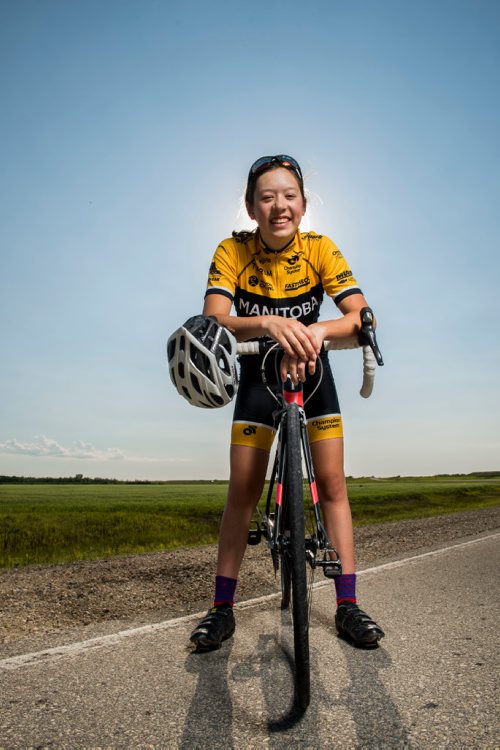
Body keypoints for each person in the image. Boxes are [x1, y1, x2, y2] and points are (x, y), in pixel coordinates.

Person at [189, 155, 384, 650]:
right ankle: (221, 608)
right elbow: (214, 320)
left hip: (314, 374)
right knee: (243, 490)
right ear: (251, 207)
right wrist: (270, 324)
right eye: (267, 197)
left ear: (303, 203)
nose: (280, 206)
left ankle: (347, 605)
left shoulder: (320, 248)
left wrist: (314, 332)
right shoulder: (232, 250)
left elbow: (361, 317)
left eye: (289, 196)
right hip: (257, 374)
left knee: (334, 484)